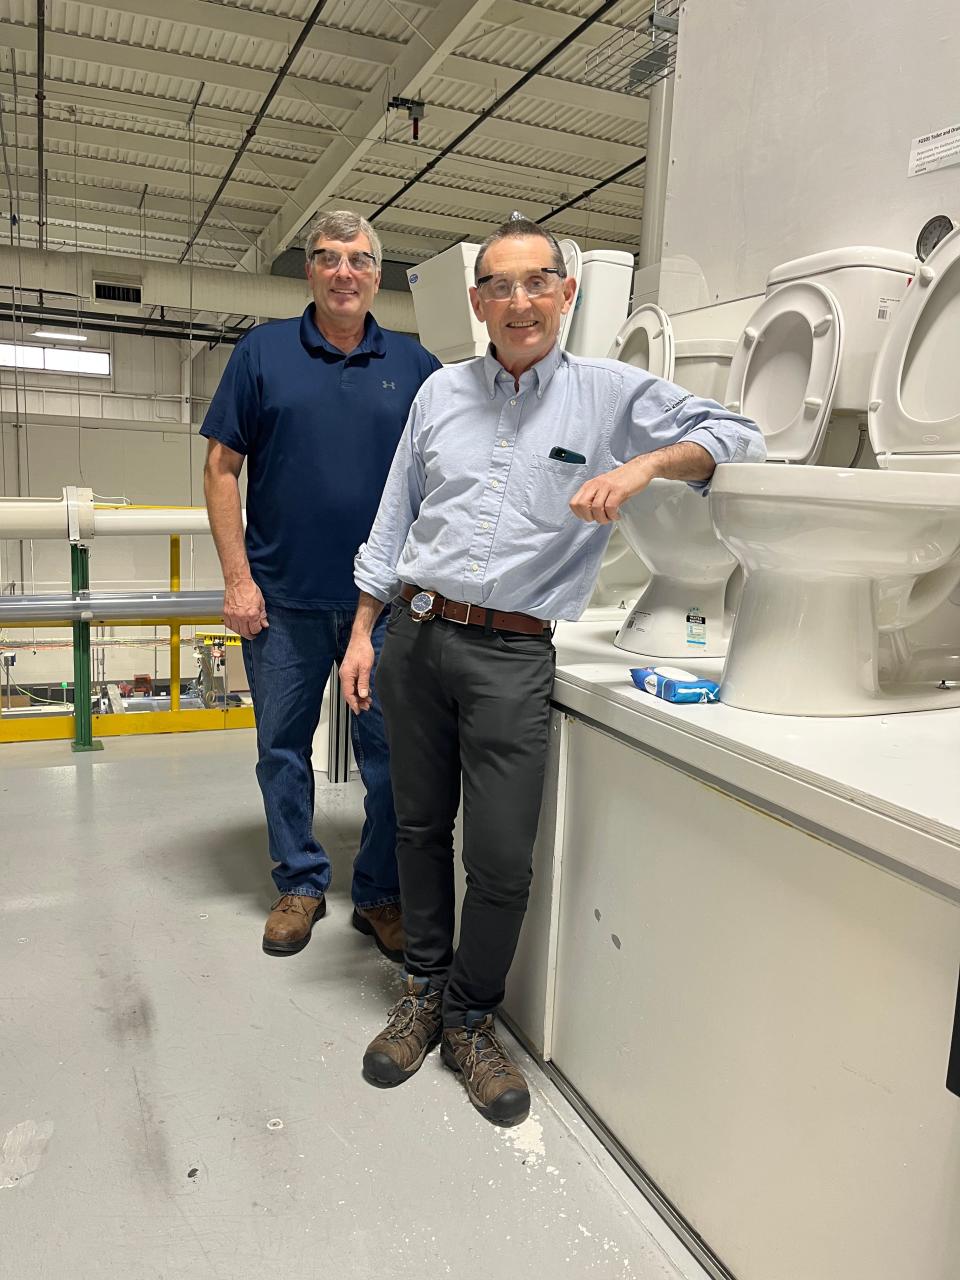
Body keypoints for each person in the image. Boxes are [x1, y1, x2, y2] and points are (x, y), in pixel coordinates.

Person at [339, 216, 765, 1127]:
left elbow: (741, 434)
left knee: (498, 858)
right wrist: (363, 629)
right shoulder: (438, 395)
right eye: (501, 285)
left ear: (565, 294)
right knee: (415, 826)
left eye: (539, 283)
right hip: (414, 632)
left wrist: (647, 463)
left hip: (511, 652)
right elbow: (393, 515)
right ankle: (421, 992)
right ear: (478, 301)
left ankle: (469, 1020)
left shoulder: (609, 394)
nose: (520, 301)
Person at [201, 209, 441, 961]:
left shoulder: (418, 367)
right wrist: (238, 582)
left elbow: (446, 481)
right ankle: (300, 883)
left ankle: (377, 894)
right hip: (283, 602)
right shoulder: (263, 354)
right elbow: (220, 469)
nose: (344, 272)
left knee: (393, 757)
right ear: (309, 270)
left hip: (390, 606)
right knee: (282, 749)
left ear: (378, 275)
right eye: (328, 258)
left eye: (360, 259)